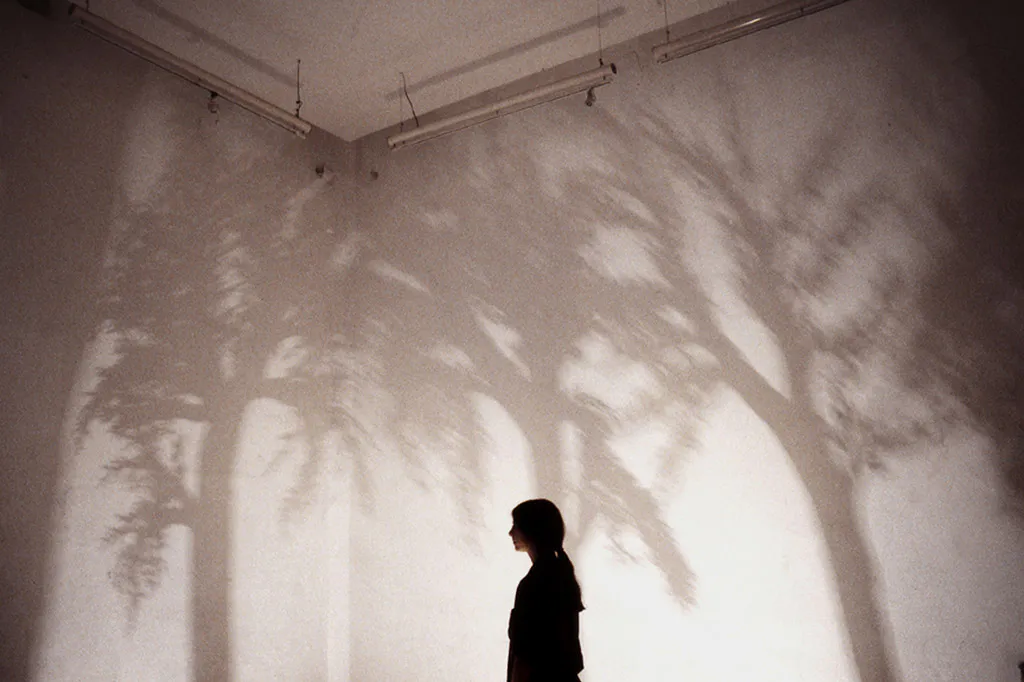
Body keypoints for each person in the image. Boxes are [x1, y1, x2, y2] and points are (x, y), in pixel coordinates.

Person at [507, 499, 585, 682]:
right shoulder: (561, 576)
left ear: (531, 530)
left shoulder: (533, 584)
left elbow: (525, 655)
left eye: (516, 526)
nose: (510, 532)